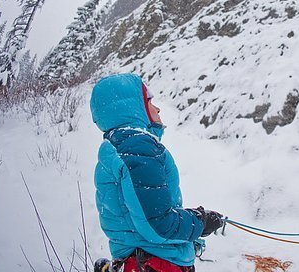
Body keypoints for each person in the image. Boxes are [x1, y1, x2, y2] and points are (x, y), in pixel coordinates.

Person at [90, 73, 224, 272]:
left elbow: (139, 217)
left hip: (138, 259)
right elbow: (158, 224)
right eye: (149, 101)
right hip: (156, 263)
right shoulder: (137, 148)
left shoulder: (118, 147)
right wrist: (200, 222)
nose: (157, 108)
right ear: (135, 107)